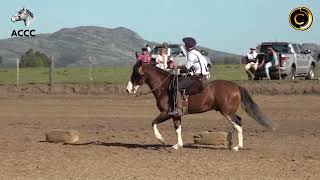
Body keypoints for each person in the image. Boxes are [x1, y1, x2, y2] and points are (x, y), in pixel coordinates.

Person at [168, 37, 210, 116]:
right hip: (202, 75)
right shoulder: (197, 52)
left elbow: (187, 67)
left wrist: (176, 67)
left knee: (176, 87)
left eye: (185, 44)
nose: (184, 46)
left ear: (187, 45)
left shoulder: (191, 54)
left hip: (197, 77)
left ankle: (178, 109)